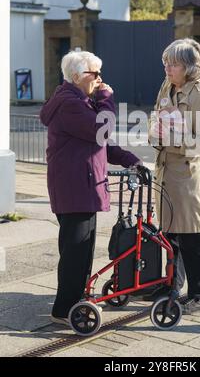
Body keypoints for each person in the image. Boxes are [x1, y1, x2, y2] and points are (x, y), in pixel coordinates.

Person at [40, 50, 140, 324]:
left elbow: (99, 142)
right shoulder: (70, 104)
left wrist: (130, 159)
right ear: (76, 77)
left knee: (83, 248)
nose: (100, 79)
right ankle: (64, 308)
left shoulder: (80, 101)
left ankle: (76, 298)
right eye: (94, 74)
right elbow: (102, 131)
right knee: (75, 251)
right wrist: (107, 99)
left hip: (82, 185)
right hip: (75, 187)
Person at [149, 38, 200, 314]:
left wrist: (173, 138)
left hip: (190, 177)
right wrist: (156, 132)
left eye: (174, 63)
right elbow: (156, 118)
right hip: (167, 172)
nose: (167, 67)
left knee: (196, 237)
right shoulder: (167, 86)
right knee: (171, 235)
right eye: (166, 62)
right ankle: (171, 285)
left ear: (190, 67)